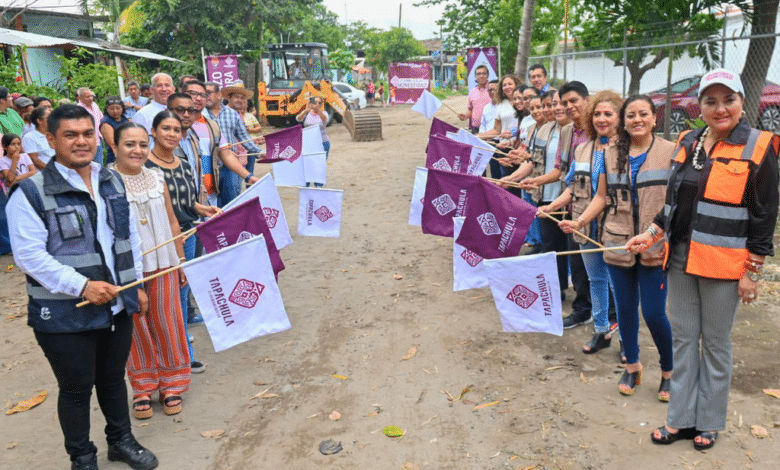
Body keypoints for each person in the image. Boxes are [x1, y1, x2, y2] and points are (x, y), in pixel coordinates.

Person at [626, 69, 780, 451]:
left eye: (728, 99)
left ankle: (709, 422)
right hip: (679, 260)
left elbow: (764, 217)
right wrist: (651, 233)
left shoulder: (760, 147)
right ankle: (680, 419)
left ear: (743, 103)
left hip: (724, 268)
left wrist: (752, 271)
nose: (720, 108)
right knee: (682, 340)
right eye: (710, 101)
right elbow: (675, 203)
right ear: (700, 106)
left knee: (714, 343)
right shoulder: (688, 140)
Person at [6, 104, 158, 470]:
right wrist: (82, 286)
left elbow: (128, 237)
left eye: (88, 134)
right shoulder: (30, 192)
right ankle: (82, 457)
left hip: (117, 304)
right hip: (62, 314)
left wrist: (134, 283)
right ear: (51, 139)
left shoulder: (111, 180)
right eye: (70, 135)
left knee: (112, 380)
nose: (81, 142)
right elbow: (28, 256)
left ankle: (120, 441)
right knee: (75, 388)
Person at [567, 95, 675, 397]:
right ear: (624, 122)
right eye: (631, 116)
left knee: (654, 313)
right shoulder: (609, 154)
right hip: (618, 242)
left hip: (655, 244)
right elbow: (601, 197)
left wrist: (657, 233)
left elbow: (675, 201)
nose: (637, 120)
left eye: (644, 114)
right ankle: (633, 367)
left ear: (655, 118)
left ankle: (668, 371)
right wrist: (580, 222)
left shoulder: (671, 152)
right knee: (626, 310)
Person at [112, 121, 191, 419]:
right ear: (115, 147)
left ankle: (172, 384)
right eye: (129, 144)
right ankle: (143, 387)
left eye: (143, 144)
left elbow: (173, 222)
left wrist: (180, 260)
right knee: (134, 328)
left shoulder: (157, 177)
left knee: (168, 323)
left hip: (164, 264)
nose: (137, 150)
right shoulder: (106, 182)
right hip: (127, 270)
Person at [548, 90, 624, 352]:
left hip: (617, 228)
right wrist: (551, 206)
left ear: (619, 117)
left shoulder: (628, 150)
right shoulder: (582, 149)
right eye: (597, 114)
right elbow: (572, 187)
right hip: (584, 227)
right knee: (597, 281)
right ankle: (601, 332)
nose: (602, 119)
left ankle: (627, 340)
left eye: (608, 114)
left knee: (619, 285)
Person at [516, 89, 572, 296]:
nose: (553, 108)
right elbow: (534, 161)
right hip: (545, 195)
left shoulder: (574, 132)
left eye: (557, 104)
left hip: (567, 198)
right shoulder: (545, 130)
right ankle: (556, 289)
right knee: (551, 245)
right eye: (549, 104)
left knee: (568, 247)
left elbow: (563, 171)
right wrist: (513, 178)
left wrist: (535, 180)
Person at [552, 81, 594, 328]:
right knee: (577, 264)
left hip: (597, 209)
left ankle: (607, 318)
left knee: (598, 269)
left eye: (574, 101)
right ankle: (582, 309)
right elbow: (563, 171)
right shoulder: (566, 132)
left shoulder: (598, 131)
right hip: (572, 207)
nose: (569, 106)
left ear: (586, 100)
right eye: (565, 102)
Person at [182, 80, 258, 209]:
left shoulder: (211, 126)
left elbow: (226, 154)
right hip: (184, 193)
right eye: (193, 93)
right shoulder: (173, 124)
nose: (198, 98)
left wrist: (249, 177)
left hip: (208, 190)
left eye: (203, 94)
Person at [204, 82, 263, 206]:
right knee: (210, 204)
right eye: (203, 94)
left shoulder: (232, 114)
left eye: (208, 93)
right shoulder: (199, 115)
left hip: (230, 166)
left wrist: (259, 153)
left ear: (219, 95)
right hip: (207, 166)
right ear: (228, 97)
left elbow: (243, 136)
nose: (205, 97)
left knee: (232, 203)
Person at [223, 80, 265, 177]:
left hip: (241, 157)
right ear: (229, 97)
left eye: (242, 98)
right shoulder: (223, 113)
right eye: (236, 97)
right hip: (228, 159)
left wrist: (255, 142)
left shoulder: (238, 115)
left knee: (238, 188)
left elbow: (243, 136)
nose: (239, 100)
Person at [296, 95, 330, 188]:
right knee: (307, 164)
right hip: (309, 143)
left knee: (320, 165)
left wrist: (318, 111)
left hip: (323, 143)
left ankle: (318, 186)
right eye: (315, 102)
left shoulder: (324, 113)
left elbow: (326, 121)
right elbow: (298, 119)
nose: (317, 104)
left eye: (319, 103)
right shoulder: (307, 113)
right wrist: (306, 110)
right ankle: (306, 185)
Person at [459, 64, 492, 133]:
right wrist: (465, 116)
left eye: (484, 74)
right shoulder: (473, 91)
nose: (481, 76)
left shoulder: (493, 89)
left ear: (488, 75)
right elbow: (470, 109)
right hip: (475, 129)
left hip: (490, 129)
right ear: (475, 76)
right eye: (478, 74)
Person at [76, 87, 104, 163]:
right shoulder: (78, 109)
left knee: (99, 165)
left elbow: (101, 118)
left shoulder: (94, 105)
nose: (90, 98)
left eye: (91, 96)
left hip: (98, 139)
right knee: (87, 163)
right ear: (80, 98)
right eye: (87, 96)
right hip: (86, 141)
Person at [100, 96, 129, 165]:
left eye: (118, 108)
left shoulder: (124, 119)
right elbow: (113, 144)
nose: (115, 111)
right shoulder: (106, 122)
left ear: (122, 108)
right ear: (107, 109)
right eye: (111, 108)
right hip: (116, 157)